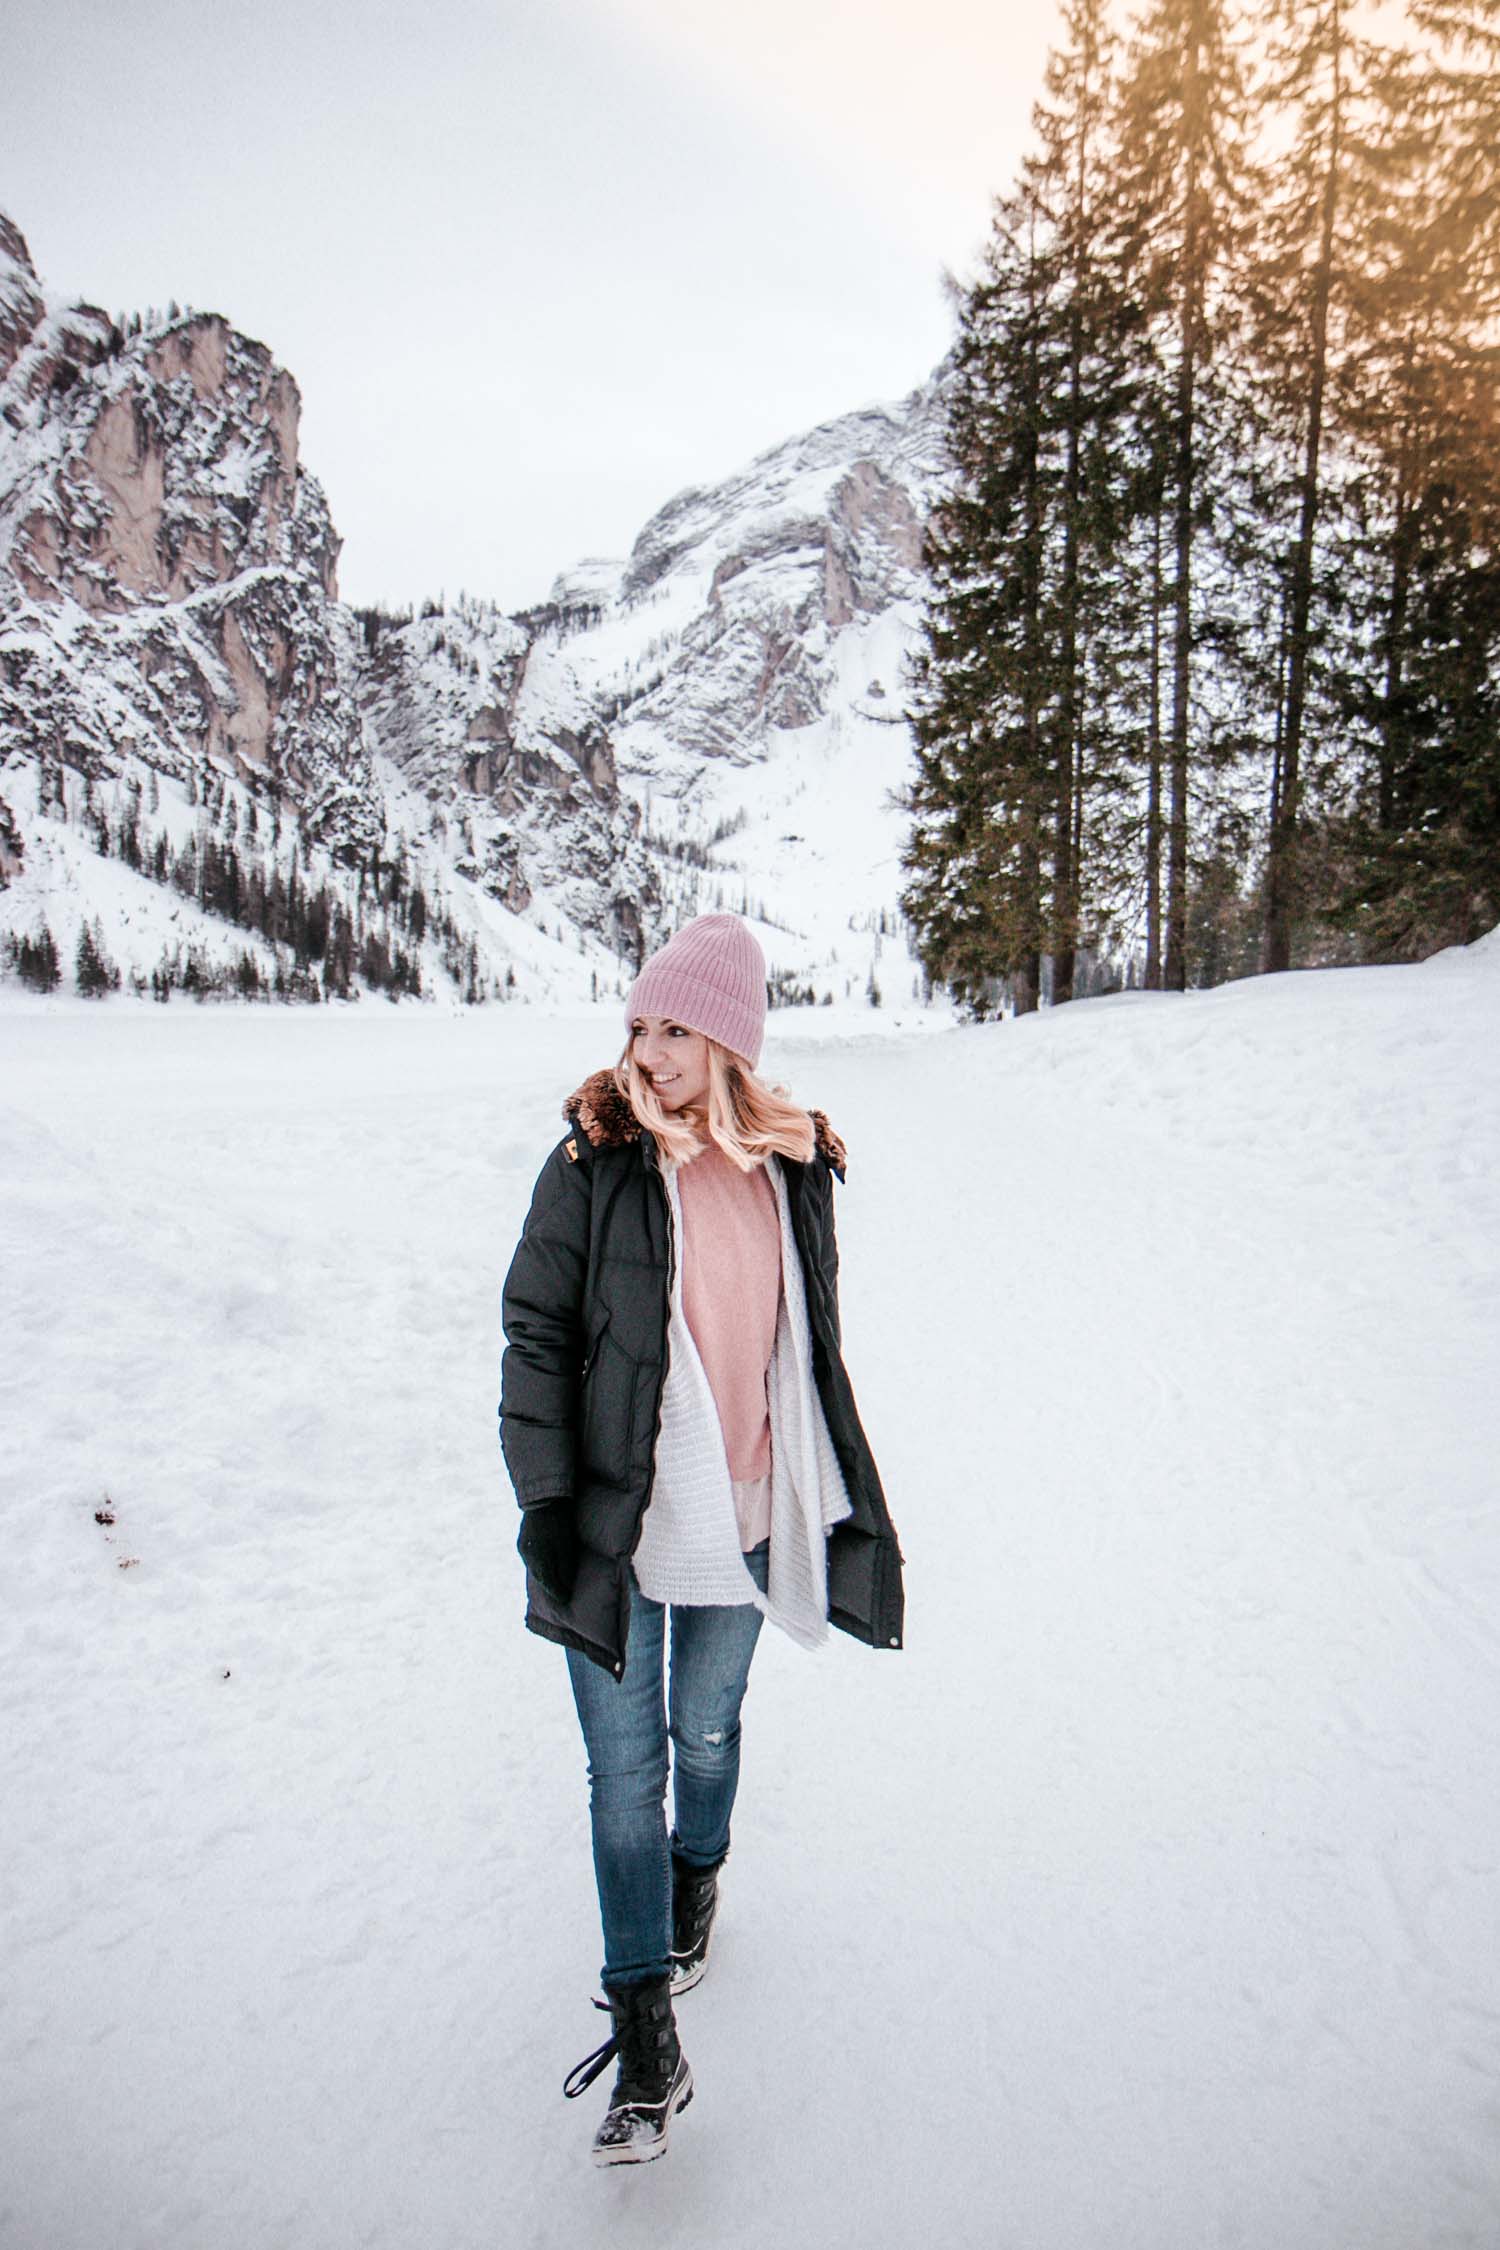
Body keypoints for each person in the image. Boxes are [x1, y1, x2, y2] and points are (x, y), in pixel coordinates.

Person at [499, 911, 904, 2167]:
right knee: (620, 1772)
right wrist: (550, 1507)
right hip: (617, 1529)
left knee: (706, 1732)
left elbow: (807, 1355)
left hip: (738, 1520)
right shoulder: (591, 1162)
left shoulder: (788, 1174)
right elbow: (538, 1340)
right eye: (637, 1024)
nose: (648, 1052)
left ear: (729, 1041)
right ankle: (644, 2039)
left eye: (675, 1028)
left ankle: (699, 1872)